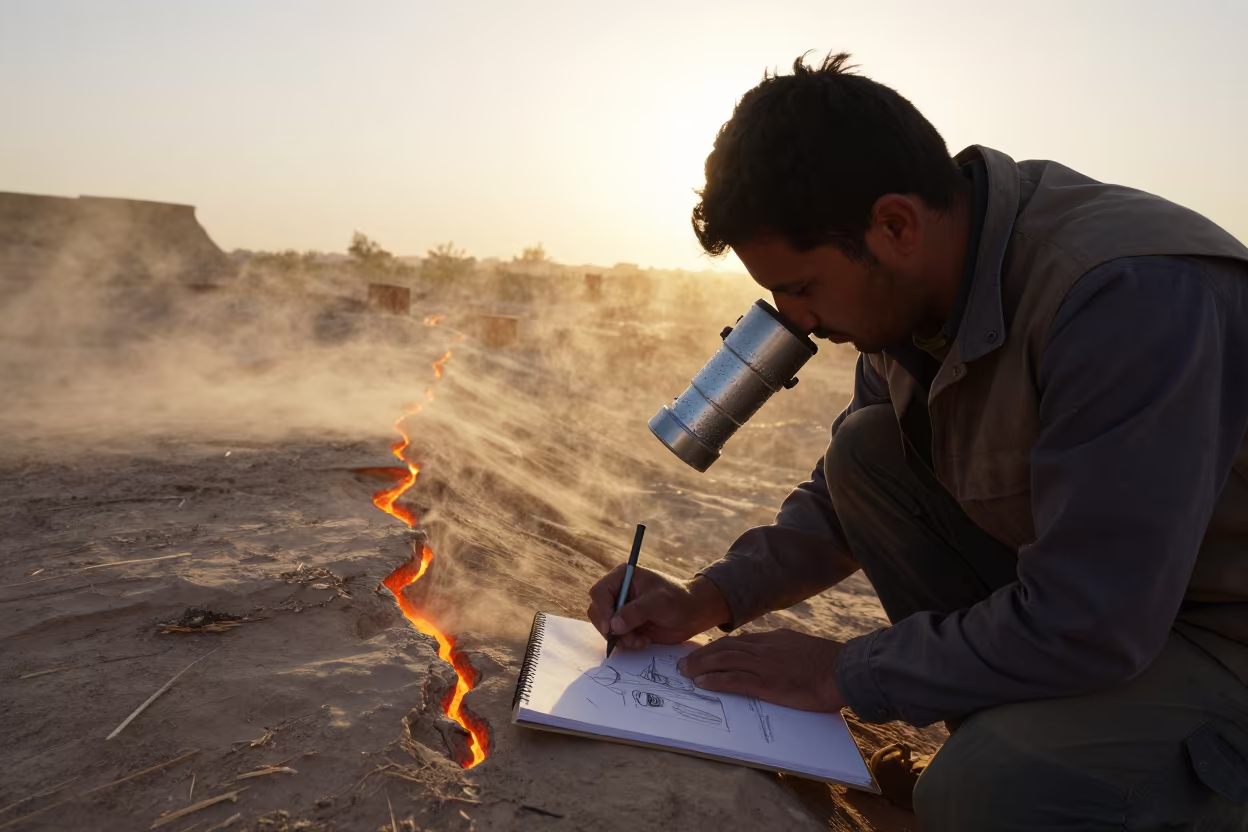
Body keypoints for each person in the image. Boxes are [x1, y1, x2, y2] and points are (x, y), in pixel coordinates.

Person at [587, 52, 1248, 830]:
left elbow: (1093, 617)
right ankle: (1031, 735)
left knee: (981, 792)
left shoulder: (1124, 296)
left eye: (801, 288)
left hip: (1219, 630)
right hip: (1131, 608)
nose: (795, 319)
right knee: (866, 453)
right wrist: (709, 597)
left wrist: (842, 671)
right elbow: (845, 501)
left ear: (895, 223)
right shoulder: (916, 292)